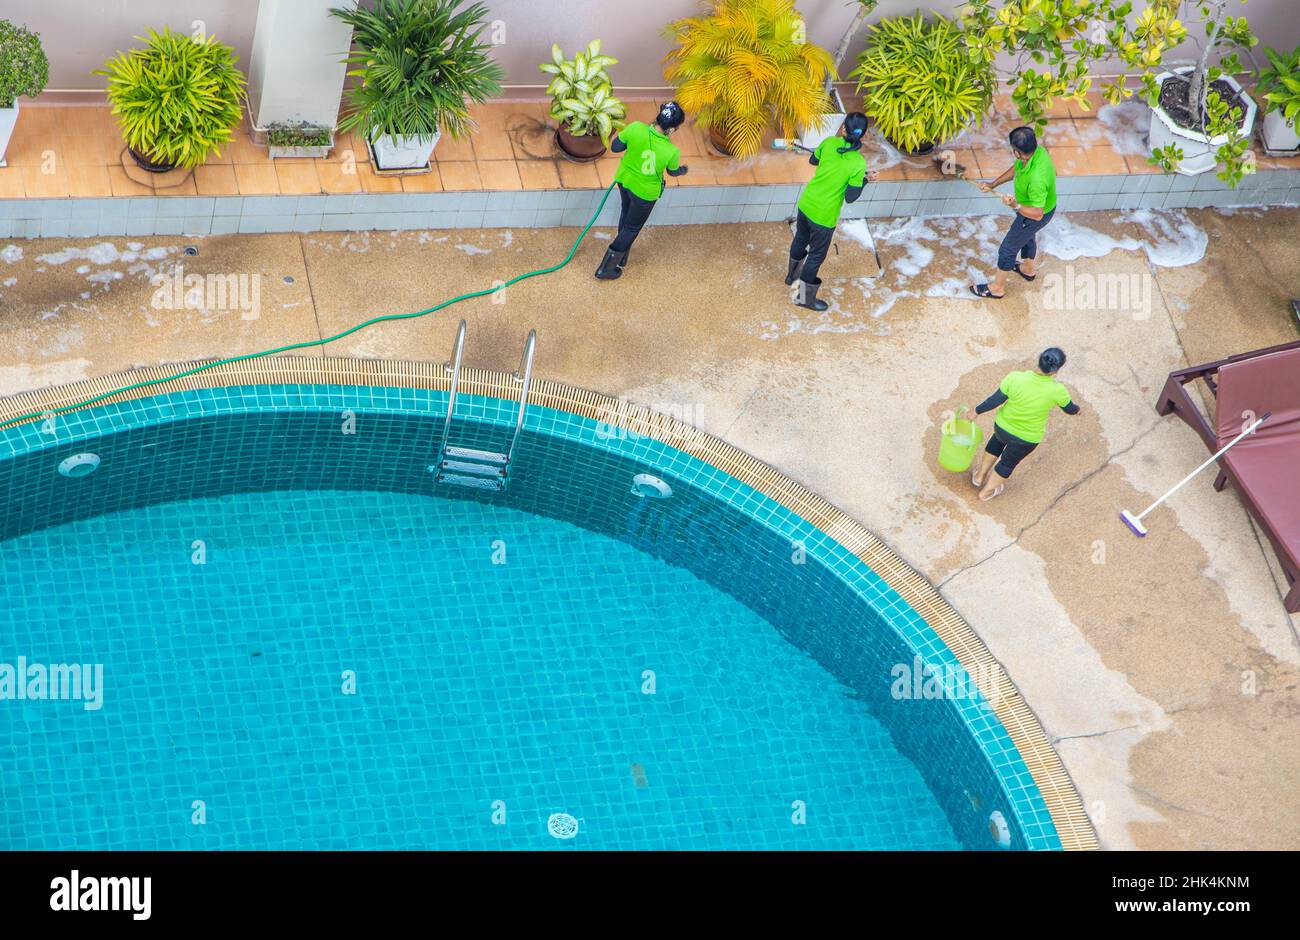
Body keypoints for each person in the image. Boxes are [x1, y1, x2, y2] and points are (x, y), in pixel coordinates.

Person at [786, 112, 877, 311]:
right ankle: (804, 298)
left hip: (807, 203)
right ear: (863, 135)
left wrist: (830, 160)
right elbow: (851, 196)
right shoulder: (858, 163)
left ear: (843, 129)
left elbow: (813, 161)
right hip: (824, 216)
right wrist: (865, 179)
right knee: (816, 256)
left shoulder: (828, 143)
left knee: (801, 238)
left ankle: (791, 276)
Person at [969, 347, 1080, 501]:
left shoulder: (1015, 377)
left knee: (995, 444)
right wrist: (1077, 410)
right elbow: (1070, 409)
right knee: (1007, 463)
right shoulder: (1057, 391)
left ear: (1039, 361)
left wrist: (976, 411)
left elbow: (995, 400)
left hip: (1002, 427)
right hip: (1026, 438)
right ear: (1056, 371)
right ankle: (985, 492)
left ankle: (979, 477)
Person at [595, 101, 689, 280]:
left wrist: (633, 142)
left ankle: (622, 257)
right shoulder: (671, 151)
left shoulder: (636, 127)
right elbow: (672, 171)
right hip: (645, 194)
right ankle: (606, 268)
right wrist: (683, 170)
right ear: (672, 129)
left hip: (625, 181)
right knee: (632, 227)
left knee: (626, 213)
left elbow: (615, 147)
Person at [970, 126, 1057, 299]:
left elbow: (1037, 214)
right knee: (1027, 236)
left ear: (1017, 152)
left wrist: (1015, 205)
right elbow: (1017, 168)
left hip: (1034, 214)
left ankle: (997, 288)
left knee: (1007, 249)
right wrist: (992, 184)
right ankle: (1028, 269)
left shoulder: (1036, 178)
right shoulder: (1037, 152)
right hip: (1039, 209)